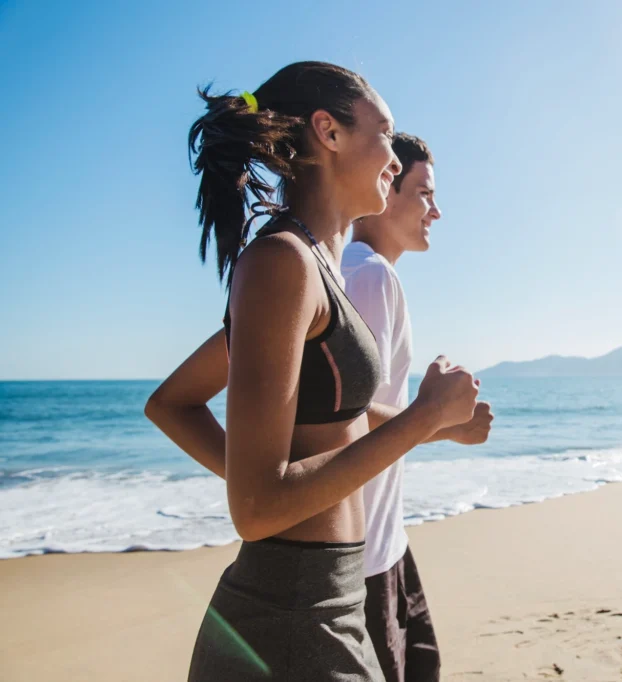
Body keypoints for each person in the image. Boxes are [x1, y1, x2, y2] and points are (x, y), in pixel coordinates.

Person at [153, 61, 480, 682]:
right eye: (384, 135)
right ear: (328, 132)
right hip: (289, 616)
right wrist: (421, 419)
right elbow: (255, 509)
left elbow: (182, 403)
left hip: (329, 595)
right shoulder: (283, 262)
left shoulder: (313, 265)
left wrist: (440, 425)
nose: (392, 157)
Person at [343, 133, 482, 682]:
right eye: (424, 193)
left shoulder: (363, 271)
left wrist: (444, 427)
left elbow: (368, 414)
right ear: (387, 189)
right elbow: (348, 419)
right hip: (366, 558)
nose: (437, 210)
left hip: (387, 544)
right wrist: (438, 419)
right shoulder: (371, 275)